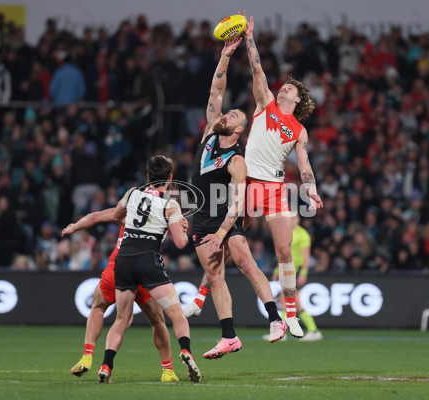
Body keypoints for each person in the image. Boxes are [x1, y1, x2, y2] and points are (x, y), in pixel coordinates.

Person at [184, 37, 287, 359]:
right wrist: (225, 56)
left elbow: (239, 203)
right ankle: (229, 336)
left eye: (233, 116)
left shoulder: (237, 161)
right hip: (200, 219)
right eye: (227, 113)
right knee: (215, 277)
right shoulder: (208, 135)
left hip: (223, 220)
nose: (225, 115)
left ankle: (275, 319)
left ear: (240, 130)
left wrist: (223, 231)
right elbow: (216, 91)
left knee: (244, 262)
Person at [242, 11, 324, 337]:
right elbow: (257, 68)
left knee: (284, 251)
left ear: (298, 98)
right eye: (285, 84)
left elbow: (304, 165)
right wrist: (249, 36)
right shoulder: (265, 104)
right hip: (247, 182)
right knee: (230, 239)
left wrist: (312, 189)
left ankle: (290, 314)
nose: (284, 86)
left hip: (275, 186)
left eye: (291, 87)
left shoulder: (299, 130)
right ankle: (204, 296)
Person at [99, 155, 201, 383]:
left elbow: (116, 216)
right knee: (175, 313)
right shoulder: (170, 204)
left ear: (147, 176)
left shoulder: (133, 193)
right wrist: (181, 227)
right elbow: (181, 243)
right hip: (148, 259)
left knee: (122, 319)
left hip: (124, 259)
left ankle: (106, 365)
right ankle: (186, 351)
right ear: (171, 178)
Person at [62, 208, 187, 383]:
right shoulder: (164, 211)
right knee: (158, 321)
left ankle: (88, 357)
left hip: (119, 265)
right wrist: (183, 227)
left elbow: (96, 216)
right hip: (146, 268)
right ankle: (167, 370)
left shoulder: (129, 210)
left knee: (101, 308)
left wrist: (75, 226)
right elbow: (180, 240)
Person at [265, 212, 323, 341]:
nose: (292, 219)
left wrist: (304, 272)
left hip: (295, 271)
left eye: (295, 217)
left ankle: (311, 330)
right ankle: (301, 331)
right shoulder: (285, 233)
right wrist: (276, 270)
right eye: (290, 217)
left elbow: (306, 256)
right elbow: (282, 254)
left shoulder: (303, 234)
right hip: (286, 270)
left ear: (298, 219)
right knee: (285, 300)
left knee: (291, 300)